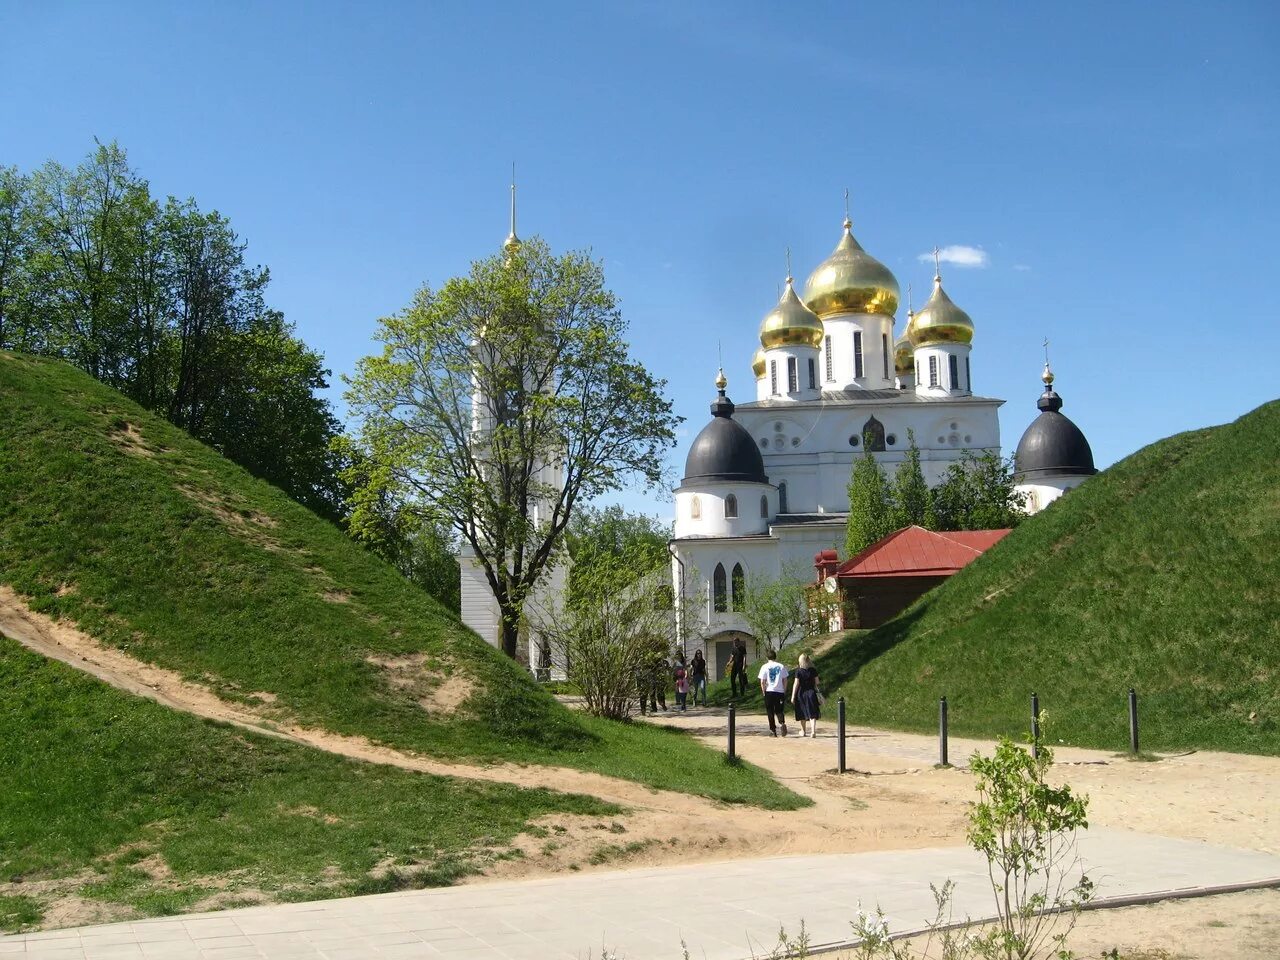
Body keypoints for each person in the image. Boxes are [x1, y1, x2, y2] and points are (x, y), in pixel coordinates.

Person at [757, 649, 789, 737]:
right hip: (779, 691)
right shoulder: (781, 666)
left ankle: (773, 730)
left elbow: (762, 681)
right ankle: (782, 723)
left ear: (767, 657)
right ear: (775, 657)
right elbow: (785, 680)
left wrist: (764, 691)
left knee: (770, 711)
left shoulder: (764, 667)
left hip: (769, 691)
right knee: (779, 710)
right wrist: (784, 690)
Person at [790, 653, 822, 738]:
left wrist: (793, 696)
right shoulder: (813, 670)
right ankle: (813, 731)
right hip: (811, 693)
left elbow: (796, 684)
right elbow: (817, 682)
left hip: (801, 693)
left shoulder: (798, 671)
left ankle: (803, 731)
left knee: (802, 712)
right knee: (812, 713)